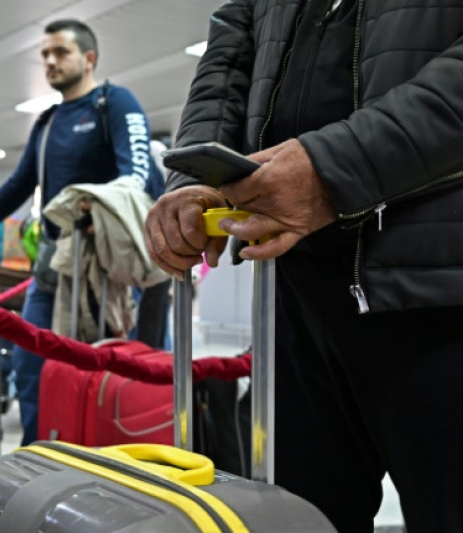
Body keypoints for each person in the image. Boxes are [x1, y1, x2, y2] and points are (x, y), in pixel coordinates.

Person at [145, 2, 463, 531]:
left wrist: (333, 169)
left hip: (441, 281)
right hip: (289, 289)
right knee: (297, 518)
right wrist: (196, 177)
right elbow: (227, 64)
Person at [0, 18, 164, 445]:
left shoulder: (115, 103)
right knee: (33, 369)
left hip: (109, 270)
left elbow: (136, 173)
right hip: (51, 264)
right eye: (45, 54)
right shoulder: (47, 121)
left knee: (119, 373)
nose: (49, 61)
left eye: (60, 52)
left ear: (89, 58)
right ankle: (40, 461)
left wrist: (92, 203)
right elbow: (19, 184)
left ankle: (119, 467)